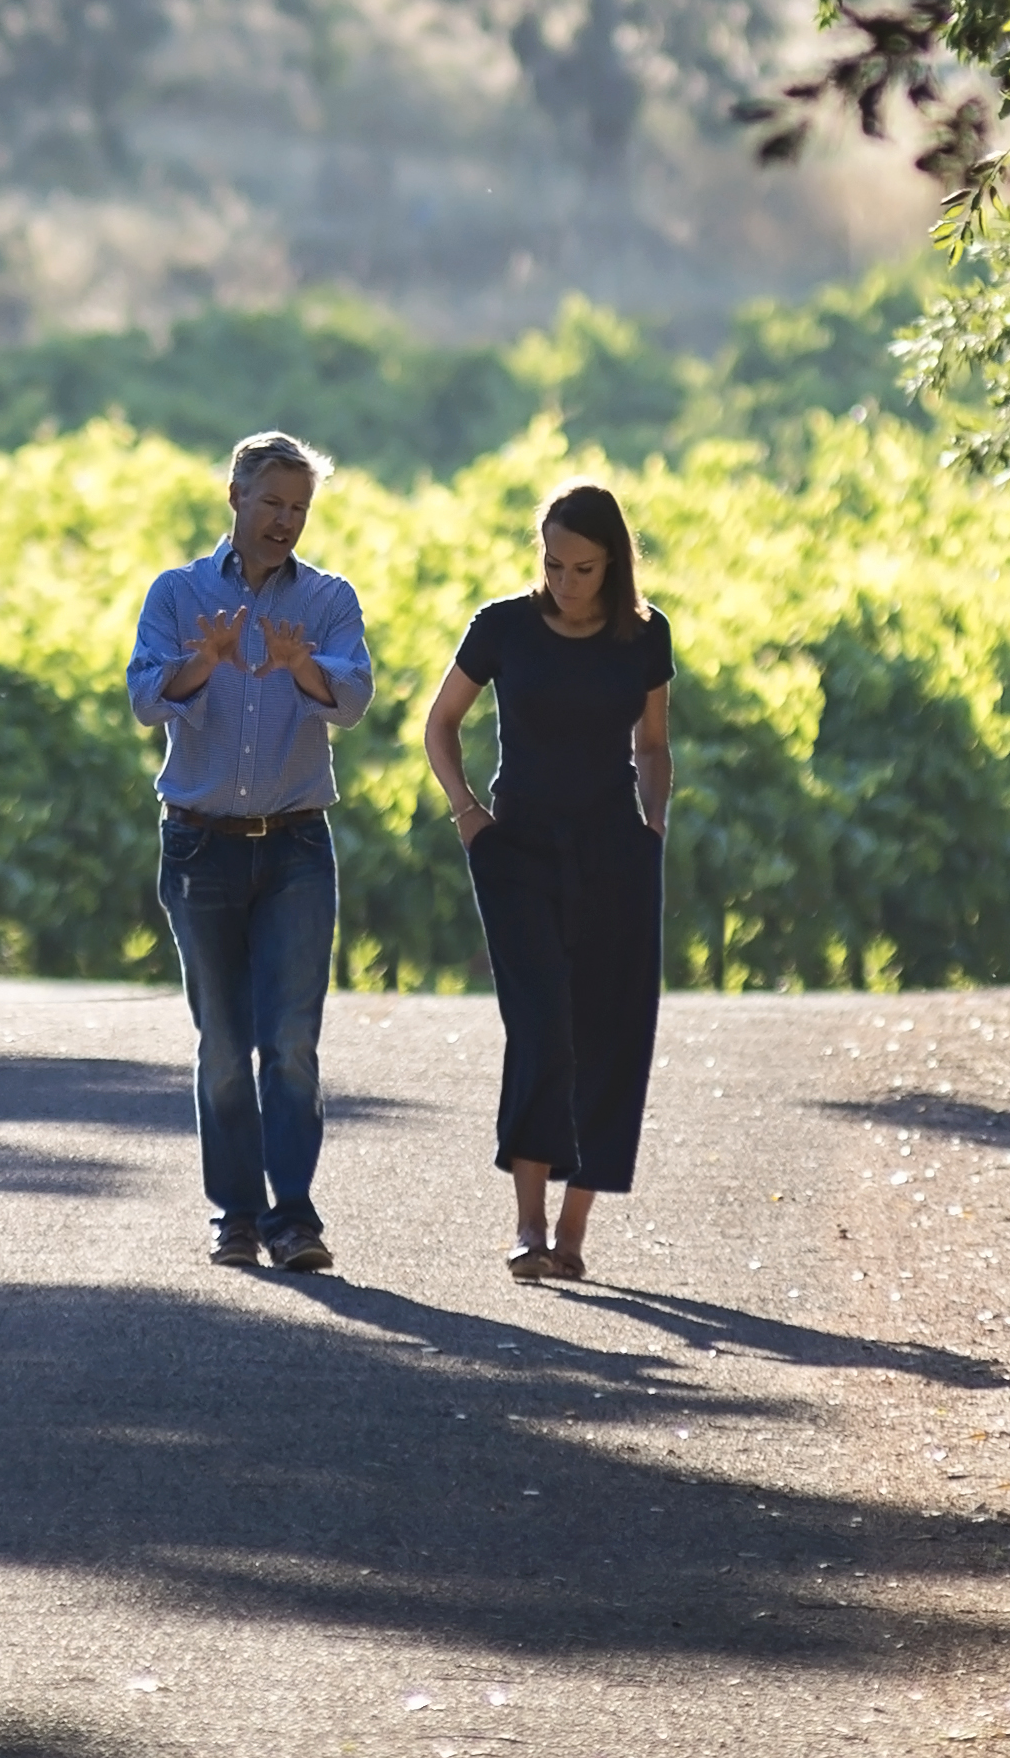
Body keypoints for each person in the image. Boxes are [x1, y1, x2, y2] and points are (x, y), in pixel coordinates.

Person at [124, 431, 372, 1273]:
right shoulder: (177, 593)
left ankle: (293, 1217)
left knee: (291, 1042)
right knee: (224, 1046)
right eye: (271, 503)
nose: (285, 522)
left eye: (299, 508)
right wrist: (204, 661)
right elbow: (145, 699)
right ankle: (235, 1216)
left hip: (297, 844)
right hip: (199, 848)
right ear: (233, 496)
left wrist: (302, 669)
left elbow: (352, 700)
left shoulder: (329, 600)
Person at [426, 477, 675, 1282]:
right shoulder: (502, 627)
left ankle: (573, 1235)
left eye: (584, 569)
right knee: (539, 1028)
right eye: (553, 563)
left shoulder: (643, 636)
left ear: (615, 566)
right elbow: (440, 725)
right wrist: (466, 812)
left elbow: (652, 744)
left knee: (611, 1032)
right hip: (517, 848)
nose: (564, 583)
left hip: (614, 849)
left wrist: (653, 825)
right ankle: (527, 1227)